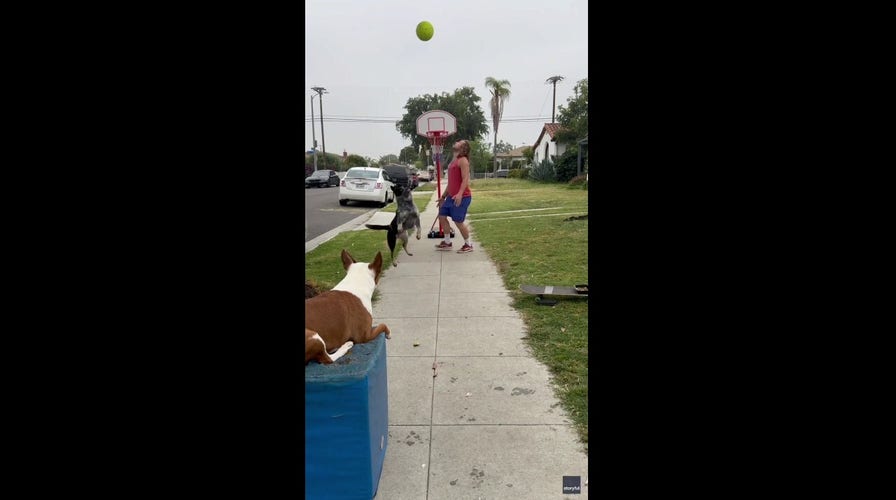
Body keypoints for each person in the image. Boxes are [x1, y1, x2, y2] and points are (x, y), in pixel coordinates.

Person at [435, 139, 473, 253]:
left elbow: (465, 179)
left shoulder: (463, 160)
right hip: (450, 197)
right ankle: (447, 242)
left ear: (463, 148)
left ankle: (468, 245)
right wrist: (443, 196)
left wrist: (460, 194)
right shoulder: (454, 160)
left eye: (460, 142)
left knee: (458, 221)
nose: (456, 142)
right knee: (442, 216)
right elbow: (451, 183)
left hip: (462, 197)